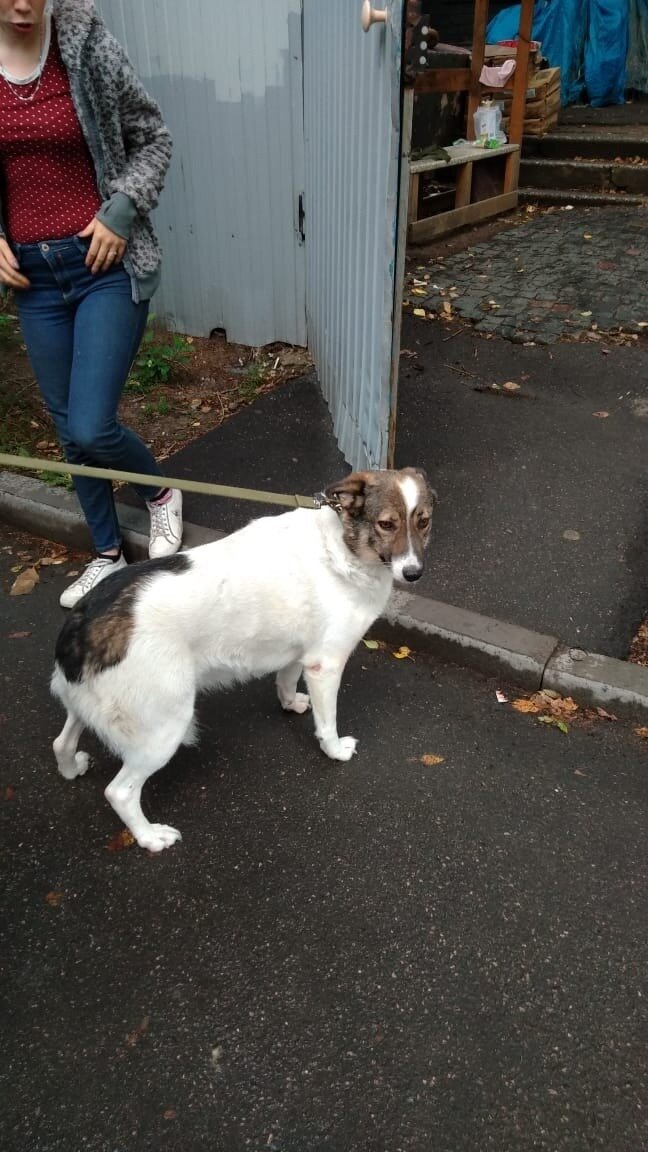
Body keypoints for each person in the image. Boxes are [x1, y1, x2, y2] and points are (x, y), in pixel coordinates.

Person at [0, 0, 183, 608]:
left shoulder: (83, 40)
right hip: (33, 279)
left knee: (90, 424)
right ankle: (106, 554)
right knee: (68, 431)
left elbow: (153, 137)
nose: (25, 4)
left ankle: (159, 493)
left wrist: (123, 210)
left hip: (102, 263)